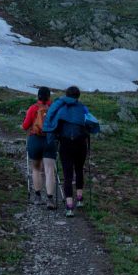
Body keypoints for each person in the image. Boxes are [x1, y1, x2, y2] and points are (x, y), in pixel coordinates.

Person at [42, 85, 100, 217]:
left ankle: (69, 207)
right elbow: (90, 124)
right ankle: (79, 199)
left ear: (67, 96)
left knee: (67, 174)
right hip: (81, 143)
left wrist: (54, 138)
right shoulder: (83, 108)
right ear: (78, 96)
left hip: (65, 144)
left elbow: (55, 126)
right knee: (79, 169)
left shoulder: (61, 108)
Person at [21, 86, 58, 209]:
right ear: (49, 96)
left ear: (38, 96)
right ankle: (50, 199)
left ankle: (37, 197)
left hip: (35, 140)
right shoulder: (53, 108)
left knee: (36, 169)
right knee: (49, 170)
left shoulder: (33, 108)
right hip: (49, 140)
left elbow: (25, 126)